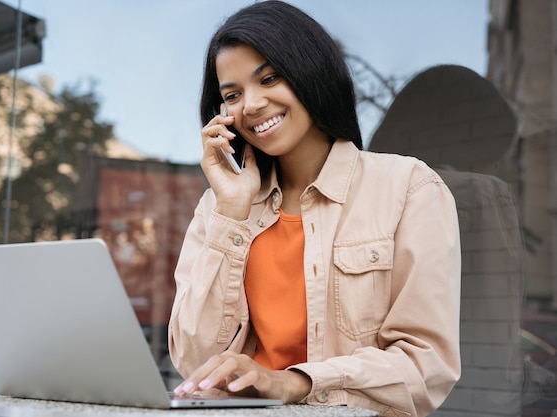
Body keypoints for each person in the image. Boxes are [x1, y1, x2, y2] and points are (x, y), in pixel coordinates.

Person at [167, 2, 461, 416]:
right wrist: (231, 213)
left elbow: (426, 366)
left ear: (310, 72)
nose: (250, 105)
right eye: (232, 94)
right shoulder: (221, 207)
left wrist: (294, 382)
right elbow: (195, 364)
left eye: (269, 78)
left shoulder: (408, 187)